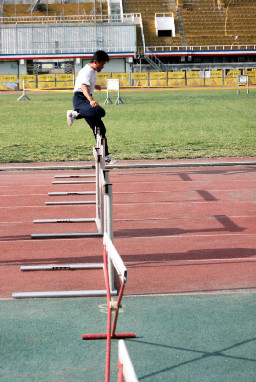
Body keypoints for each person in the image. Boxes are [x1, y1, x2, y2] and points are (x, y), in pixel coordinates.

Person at [67, 50, 116, 164]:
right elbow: (83, 86)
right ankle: (73, 113)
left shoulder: (93, 71)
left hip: (85, 100)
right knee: (99, 111)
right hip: (81, 99)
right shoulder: (87, 71)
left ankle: (104, 156)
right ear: (95, 61)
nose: (103, 67)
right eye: (102, 64)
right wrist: (91, 100)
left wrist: (96, 86)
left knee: (100, 128)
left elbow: (88, 85)